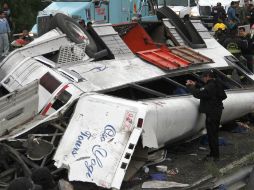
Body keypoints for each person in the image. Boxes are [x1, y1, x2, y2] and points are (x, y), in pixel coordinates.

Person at [186, 70, 227, 161]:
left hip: (211, 113)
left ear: (208, 76)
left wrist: (190, 86)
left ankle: (215, 156)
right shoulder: (217, 83)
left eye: (203, 77)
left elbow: (198, 94)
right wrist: (196, 85)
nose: (203, 79)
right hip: (217, 111)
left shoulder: (210, 85)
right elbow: (223, 96)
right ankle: (214, 154)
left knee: (212, 135)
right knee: (214, 134)